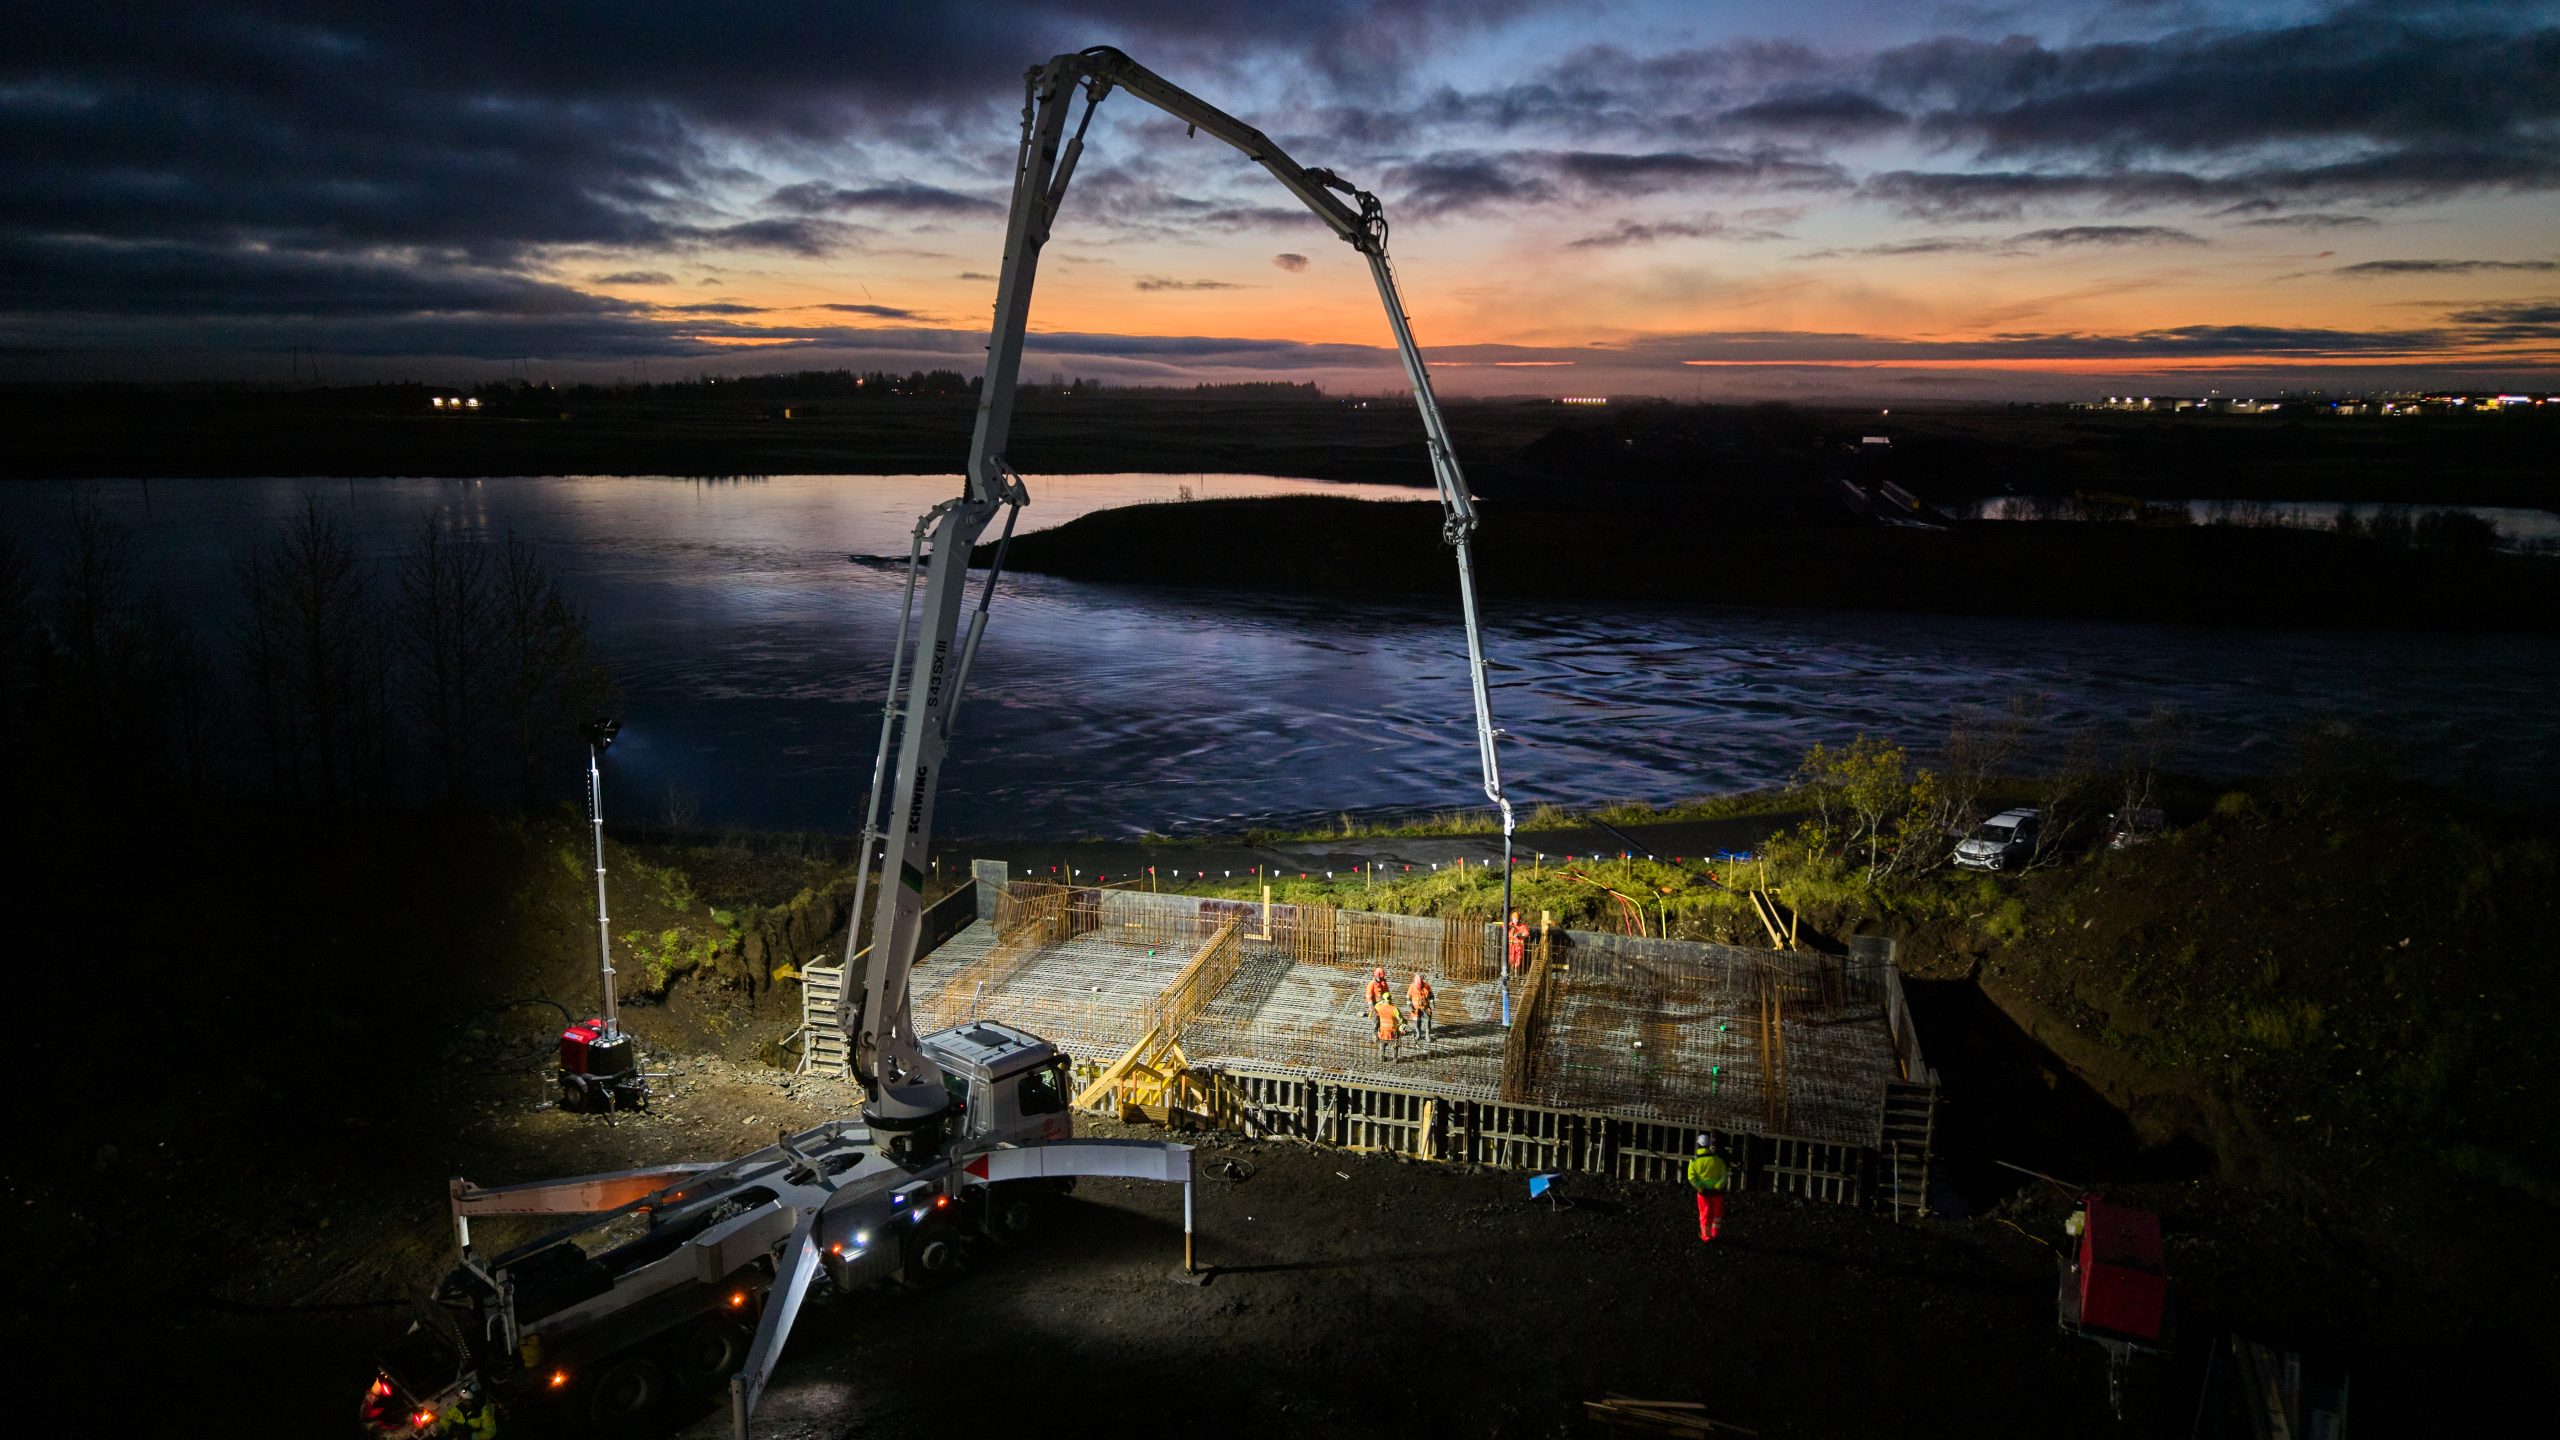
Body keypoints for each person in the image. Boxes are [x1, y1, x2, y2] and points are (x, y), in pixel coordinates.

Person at [1687, 1133, 1730, 1243]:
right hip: (1717, 1192)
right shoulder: (1718, 1160)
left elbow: (1692, 1177)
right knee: (1716, 1214)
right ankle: (1715, 1234)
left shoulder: (1694, 1160)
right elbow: (1724, 1176)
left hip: (1703, 1193)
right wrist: (1717, 1187)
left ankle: (1706, 1236)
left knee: (1705, 1213)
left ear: (1698, 1145)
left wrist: (1701, 1188)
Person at [1406, 971, 1435, 1046]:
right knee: (1416, 1022)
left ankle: (1427, 1035)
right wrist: (1409, 1006)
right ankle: (1418, 1034)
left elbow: (1431, 996)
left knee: (1427, 1021)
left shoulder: (1426, 986)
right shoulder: (1412, 987)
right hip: (1415, 1009)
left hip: (1425, 1008)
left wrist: (1432, 1004)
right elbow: (1408, 997)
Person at [1374, 994, 1404, 1061]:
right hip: (1392, 1032)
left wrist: (1381, 1002)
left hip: (1383, 1031)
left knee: (1382, 1044)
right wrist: (1402, 1027)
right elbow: (1401, 1020)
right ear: (1390, 999)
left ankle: (1382, 1057)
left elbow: (1375, 1006)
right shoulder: (1394, 1009)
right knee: (1395, 1046)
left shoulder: (1379, 1008)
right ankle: (1395, 1059)